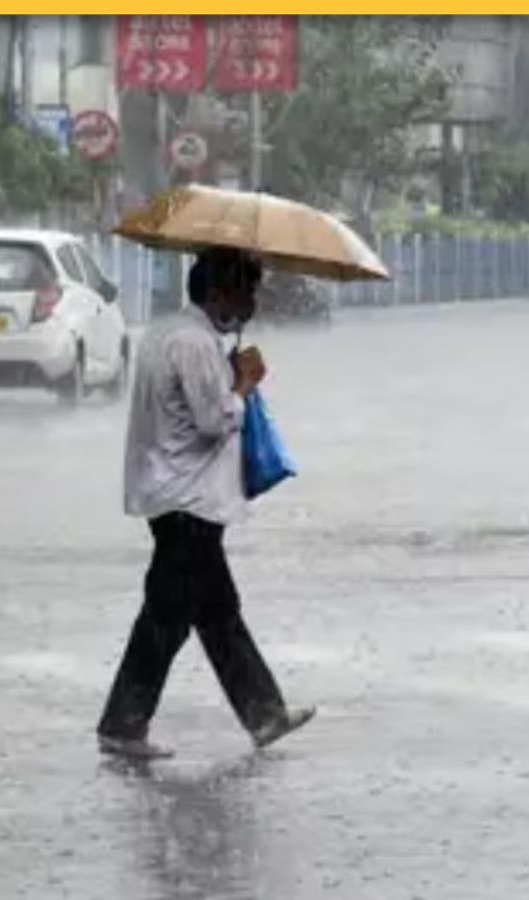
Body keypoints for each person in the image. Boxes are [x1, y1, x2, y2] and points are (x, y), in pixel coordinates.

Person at [96, 246, 315, 760]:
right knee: (184, 614)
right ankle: (128, 725)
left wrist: (230, 371)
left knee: (196, 614)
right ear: (218, 292)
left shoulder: (167, 333)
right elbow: (213, 421)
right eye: (245, 291)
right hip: (187, 499)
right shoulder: (194, 344)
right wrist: (242, 383)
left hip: (170, 492)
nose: (251, 302)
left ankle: (258, 715)